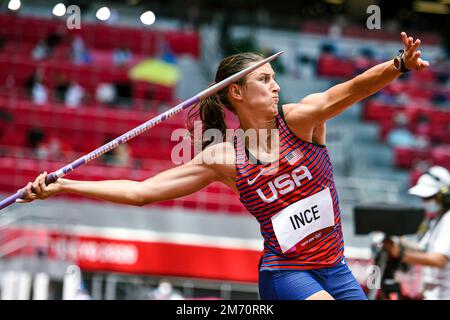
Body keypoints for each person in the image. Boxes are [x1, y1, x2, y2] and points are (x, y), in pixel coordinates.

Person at [18, 32, 429, 300]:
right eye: (265, 80)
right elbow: (141, 192)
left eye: (274, 78)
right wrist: (65, 186)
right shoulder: (223, 158)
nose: (277, 86)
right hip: (286, 273)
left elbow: (354, 88)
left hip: (336, 268)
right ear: (236, 92)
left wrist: (398, 65)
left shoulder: (301, 120)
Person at [383, 166, 450, 300]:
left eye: (429, 197)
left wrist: (400, 253)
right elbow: (423, 249)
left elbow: (439, 259)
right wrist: (398, 242)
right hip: (433, 293)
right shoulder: (435, 219)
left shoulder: (448, 220)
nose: (424, 202)